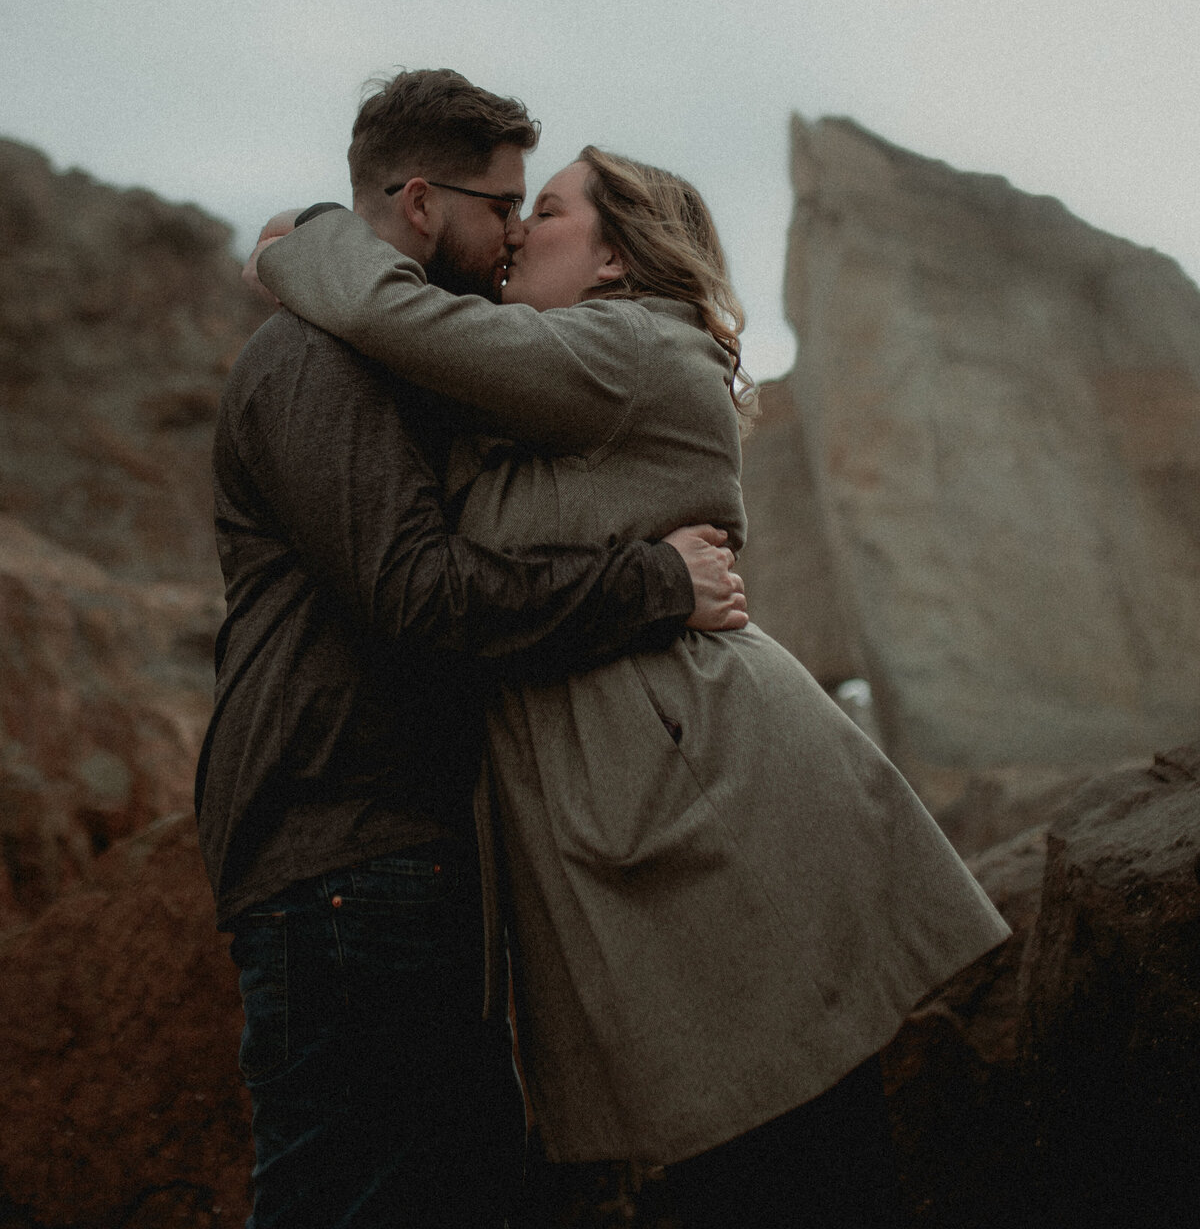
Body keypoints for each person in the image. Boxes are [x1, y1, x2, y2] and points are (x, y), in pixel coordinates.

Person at [256, 134, 1012, 1227]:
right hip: (655, 788)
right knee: (763, 1154)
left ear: (616, 261)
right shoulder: (551, 395)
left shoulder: (630, 348)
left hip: (708, 793)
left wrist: (313, 235)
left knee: (789, 1151)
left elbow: (396, 322)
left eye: (551, 212)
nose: (520, 232)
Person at [195, 70, 748, 1229]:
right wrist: (653, 581)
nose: (510, 238)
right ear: (417, 204)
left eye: (532, 210)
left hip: (399, 852)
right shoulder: (324, 359)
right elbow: (418, 597)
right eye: (502, 206)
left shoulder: (418, 363)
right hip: (342, 849)